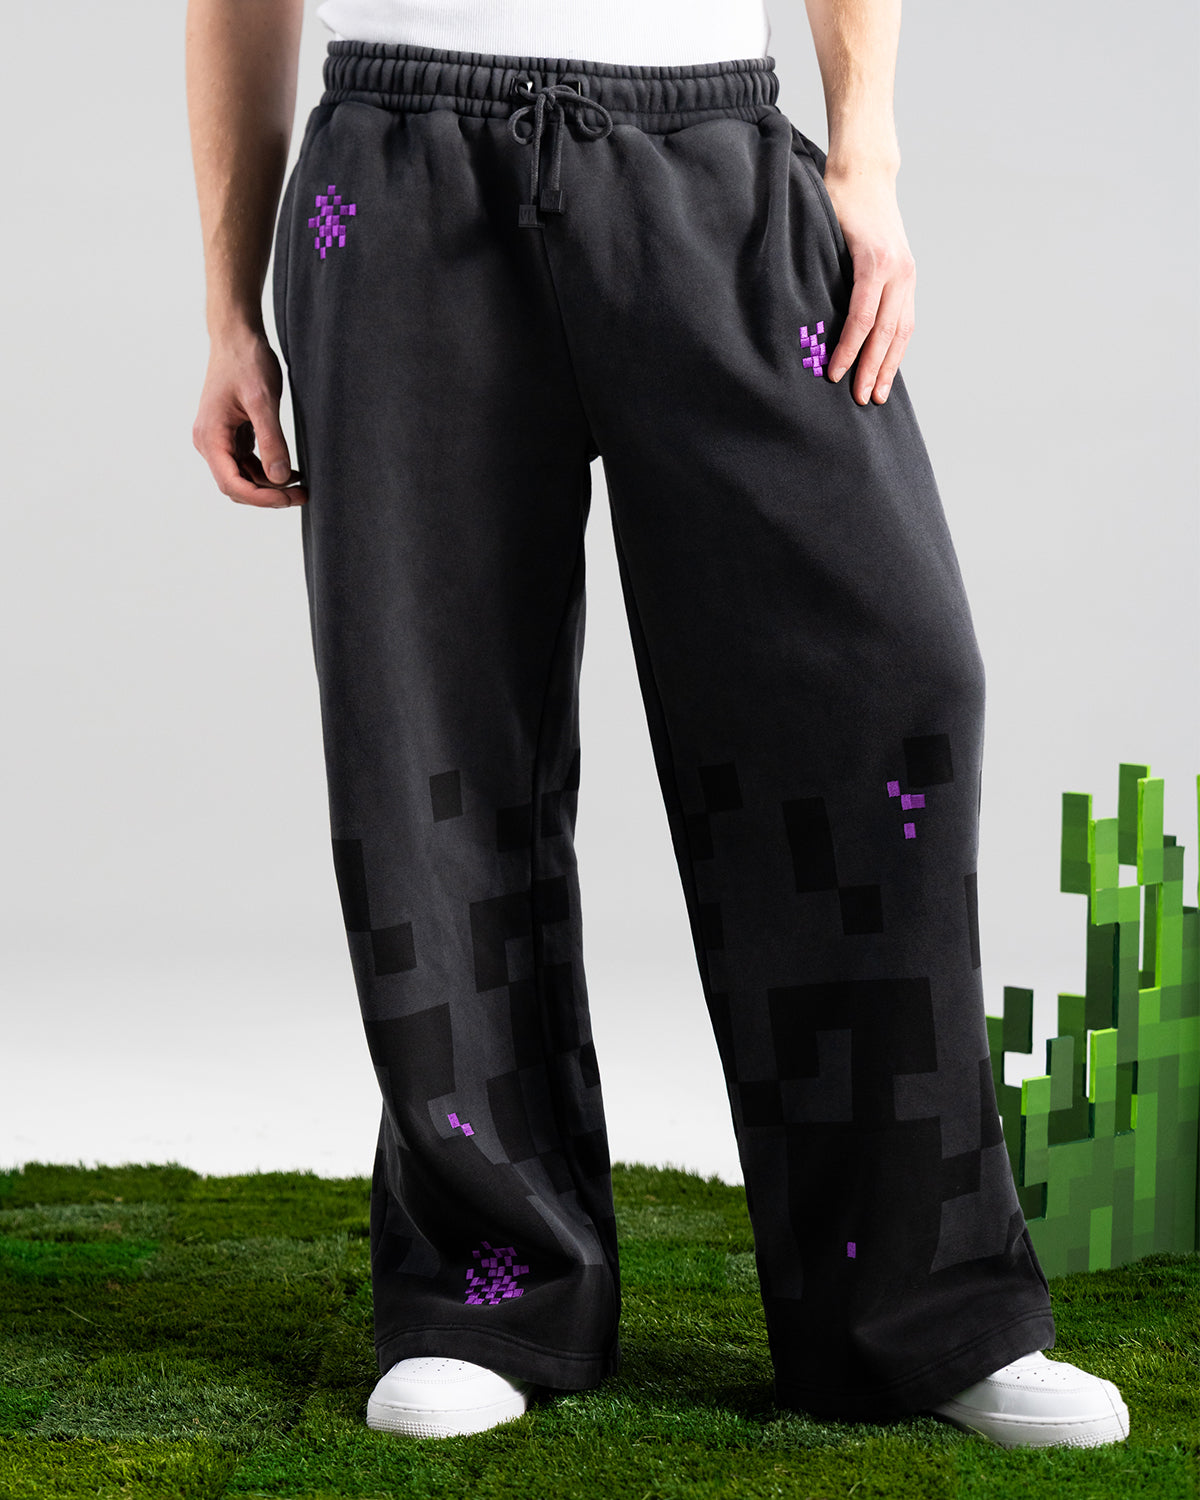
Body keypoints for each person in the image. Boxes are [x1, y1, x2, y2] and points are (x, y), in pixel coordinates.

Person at [188, 0, 1131, 1450]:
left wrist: (866, 156)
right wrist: (227, 309)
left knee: (888, 687)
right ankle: (487, 1290)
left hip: (711, 153)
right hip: (399, 162)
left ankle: (916, 1303)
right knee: (428, 727)